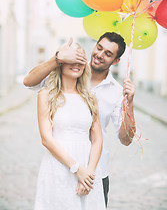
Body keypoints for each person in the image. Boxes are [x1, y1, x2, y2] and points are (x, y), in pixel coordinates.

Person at [24, 32, 136, 207]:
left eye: (108, 53)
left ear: (116, 61)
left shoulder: (111, 93)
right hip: (60, 165)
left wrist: (129, 103)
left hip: (95, 171)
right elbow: (28, 81)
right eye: (99, 48)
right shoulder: (54, 85)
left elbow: (126, 139)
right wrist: (58, 58)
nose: (99, 54)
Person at [34, 44, 106, 210]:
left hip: (88, 169)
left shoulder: (90, 97)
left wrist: (89, 173)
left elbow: (97, 139)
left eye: (81, 60)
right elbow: (46, 139)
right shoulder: (46, 95)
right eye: (73, 59)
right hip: (59, 165)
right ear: (61, 63)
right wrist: (76, 169)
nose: (77, 64)